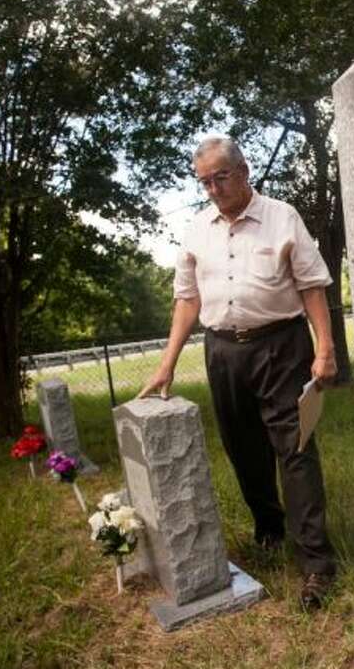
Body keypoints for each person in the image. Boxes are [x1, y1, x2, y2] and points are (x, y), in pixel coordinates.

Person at [138, 135, 338, 610]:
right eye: (204, 181)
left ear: (244, 170)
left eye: (220, 177)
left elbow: (312, 286)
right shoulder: (196, 230)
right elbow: (187, 300)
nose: (212, 189)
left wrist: (325, 348)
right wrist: (167, 363)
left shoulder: (281, 216)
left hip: (281, 347)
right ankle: (269, 528)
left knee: (296, 448)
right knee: (243, 448)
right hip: (224, 351)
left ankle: (316, 563)